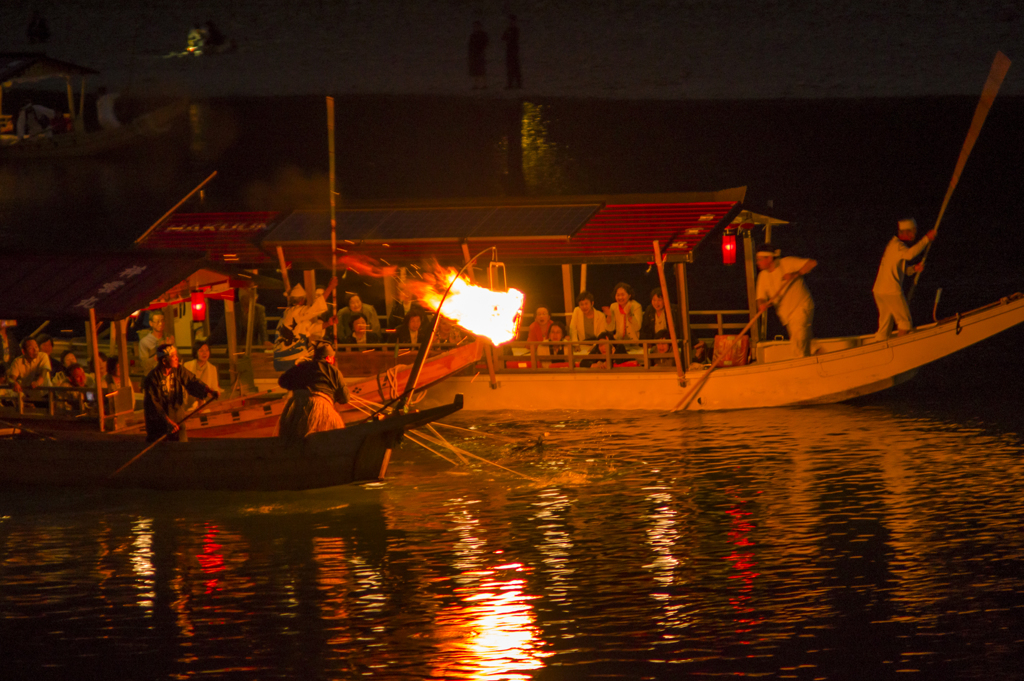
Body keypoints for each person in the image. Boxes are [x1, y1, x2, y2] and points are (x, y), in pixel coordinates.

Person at [873, 218, 937, 341]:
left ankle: (879, 346)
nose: (915, 234)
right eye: (913, 231)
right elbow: (910, 254)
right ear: (906, 232)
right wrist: (926, 239)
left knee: (884, 325)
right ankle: (899, 349)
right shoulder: (897, 246)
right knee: (905, 323)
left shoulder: (893, 245)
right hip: (891, 291)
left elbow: (902, 269)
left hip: (879, 291)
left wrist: (914, 269)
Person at [142, 344, 218, 443]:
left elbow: (192, 381)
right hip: (160, 422)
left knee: (181, 449)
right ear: (164, 361)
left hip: (177, 416)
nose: (177, 358)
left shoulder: (178, 370)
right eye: (173, 356)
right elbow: (153, 404)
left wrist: (210, 391)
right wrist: (168, 422)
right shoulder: (152, 378)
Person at [276, 343, 350, 443]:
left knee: (290, 438)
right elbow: (345, 398)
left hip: (296, 406)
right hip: (323, 407)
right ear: (329, 358)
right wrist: (333, 396)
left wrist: (298, 387)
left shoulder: (301, 367)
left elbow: (282, 381)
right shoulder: (334, 371)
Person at [755, 244, 817, 358]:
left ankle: (801, 369)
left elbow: (812, 263)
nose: (757, 262)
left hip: (801, 306)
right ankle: (817, 356)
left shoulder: (787, 263)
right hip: (787, 316)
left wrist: (795, 274)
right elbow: (760, 297)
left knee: (798, 344)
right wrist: (761, 304)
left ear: (769, 258)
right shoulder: (762, 276)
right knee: (806, 343)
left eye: (759, 259)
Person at [569, 290, 608, 354]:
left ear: (592, 303)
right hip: (582, 345)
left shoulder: (601, 315)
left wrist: (595, 346)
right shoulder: (577, 311)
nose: (584, 307)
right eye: (581, 304)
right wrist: (576, 345)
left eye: (586, 303)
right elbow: (573, 328)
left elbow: (601, 334)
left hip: (596, 345)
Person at [502, 14, 522, 89]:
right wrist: (507, 32)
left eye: (512, 21)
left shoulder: (516, 30)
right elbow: (503, 38)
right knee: (510, 68)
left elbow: (514, 39)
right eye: (510, 21)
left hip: (514, 51)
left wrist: (509, 34)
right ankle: (510, 84)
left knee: (516, 68)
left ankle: (518, 84)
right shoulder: (508, 29)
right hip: (509, 51)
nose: (511, 22)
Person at [468, 21, 489, 89]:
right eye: (475, 26)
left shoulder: (483, 34)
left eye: (477, 26)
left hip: (480, 53)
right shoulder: (473, 35)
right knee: (475, 70)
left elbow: (486, 43)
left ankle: (484, 84)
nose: (475, 28)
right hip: (474, 54)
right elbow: (470, 45)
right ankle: (476, 85)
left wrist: (482, 50)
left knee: (481, 69)